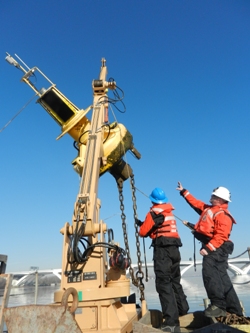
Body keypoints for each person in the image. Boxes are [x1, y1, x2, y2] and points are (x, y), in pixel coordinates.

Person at [176, 181, 243, 318]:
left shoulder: (222, 215)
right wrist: (184, 192)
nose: (211, 197)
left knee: (210, 273)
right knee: (222, 278)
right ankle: (235, 310)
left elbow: (221, 236)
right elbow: (196, 203)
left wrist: (208, 248)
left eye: (213, 196)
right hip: (216, 247)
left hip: (218, 248)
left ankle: (218, 305)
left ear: (220, 199)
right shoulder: (210, 210)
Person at [136, 187, 189, 332]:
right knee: (174, 281)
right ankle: (183, 310)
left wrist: (141, 225)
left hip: (163, 252)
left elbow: (143, 232)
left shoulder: (154, 213)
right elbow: (158, 229)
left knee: (163, 284)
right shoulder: (168, 212)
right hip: (174, 249)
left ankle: (171, 322)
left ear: (153, 200)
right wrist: (145, 225)